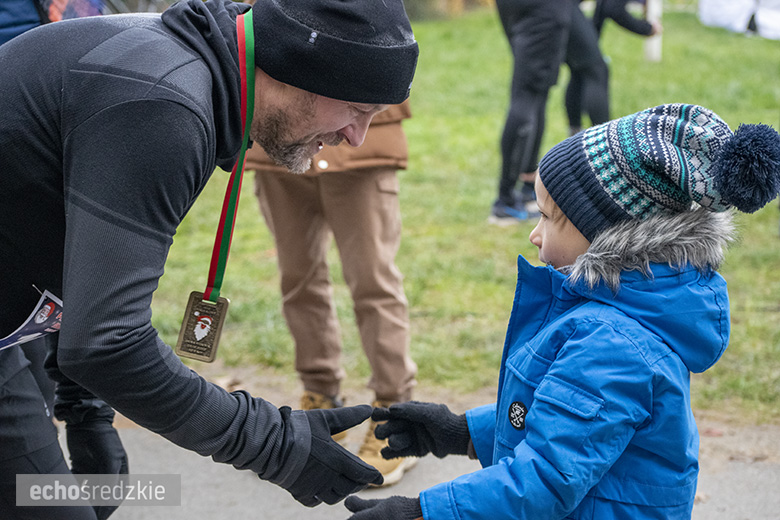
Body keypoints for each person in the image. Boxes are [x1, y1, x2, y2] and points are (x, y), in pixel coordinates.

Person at [0, 0, 418, 518]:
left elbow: (71, 248)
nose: (356, 136)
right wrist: (274, 444)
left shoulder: (187, 73)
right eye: (356, 109)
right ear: (298, 70)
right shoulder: (162, 104)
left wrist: (85, 411)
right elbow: (108, 343)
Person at [343, 103, 780, 519]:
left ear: (608, 238)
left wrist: (425, 512)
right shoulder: (619, 310)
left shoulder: (613, 342)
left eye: (548, 218)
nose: (535, 235)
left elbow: (545, 480)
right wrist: (462, 431)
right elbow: (563, 420)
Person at [247, 100, 419, 487]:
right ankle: (320, 399)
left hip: (358, 143)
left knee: (373, 282)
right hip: (280, 137)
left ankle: (395, 412)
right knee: (297, 280)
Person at [491, 0, 571, 225]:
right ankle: (504, 200)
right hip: (542, 9)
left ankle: (527, 186)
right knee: (528, 94)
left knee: (536, 93)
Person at [564, 0, 662, 137]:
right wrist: (647, 28)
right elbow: (613, 8)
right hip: (556, 8)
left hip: (554, 8)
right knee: (596, 70)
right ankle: (602, 141)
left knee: (580, 69)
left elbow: (604, 6)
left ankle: (574, 134)